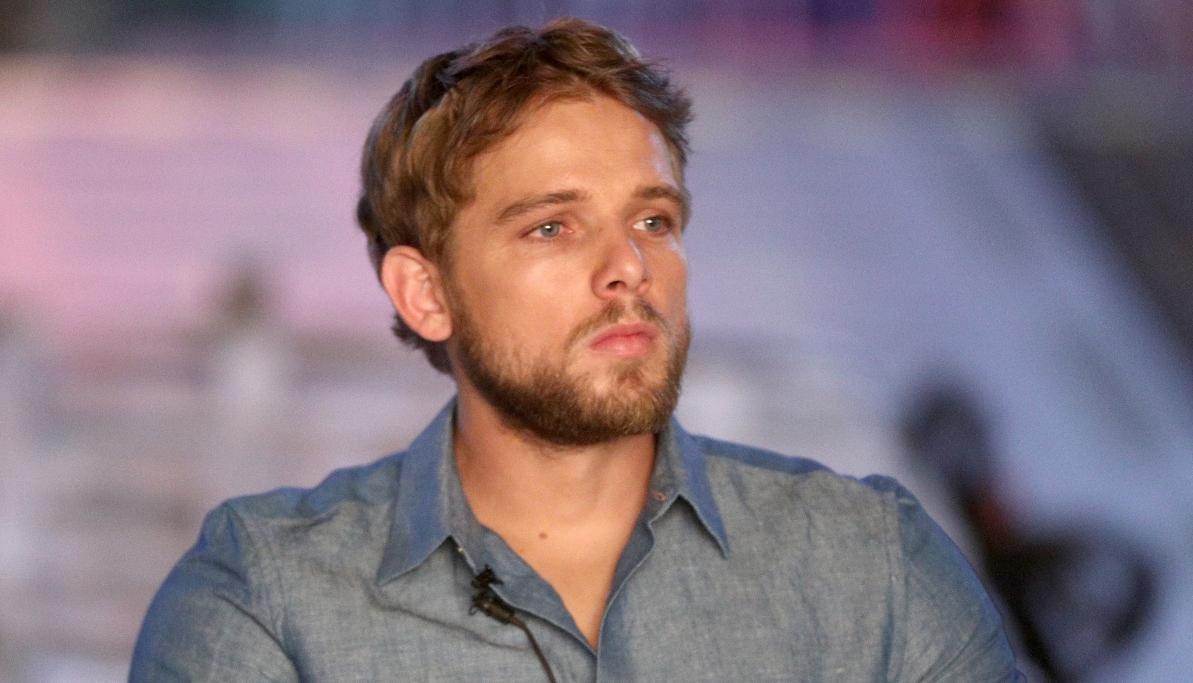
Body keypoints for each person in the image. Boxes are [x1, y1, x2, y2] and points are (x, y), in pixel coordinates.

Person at [131, 18, 1022, 681]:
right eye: (552, 226)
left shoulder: (870, 564)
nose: (628, 267)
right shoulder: (265, 596)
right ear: (426, 292)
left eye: (652, 219)